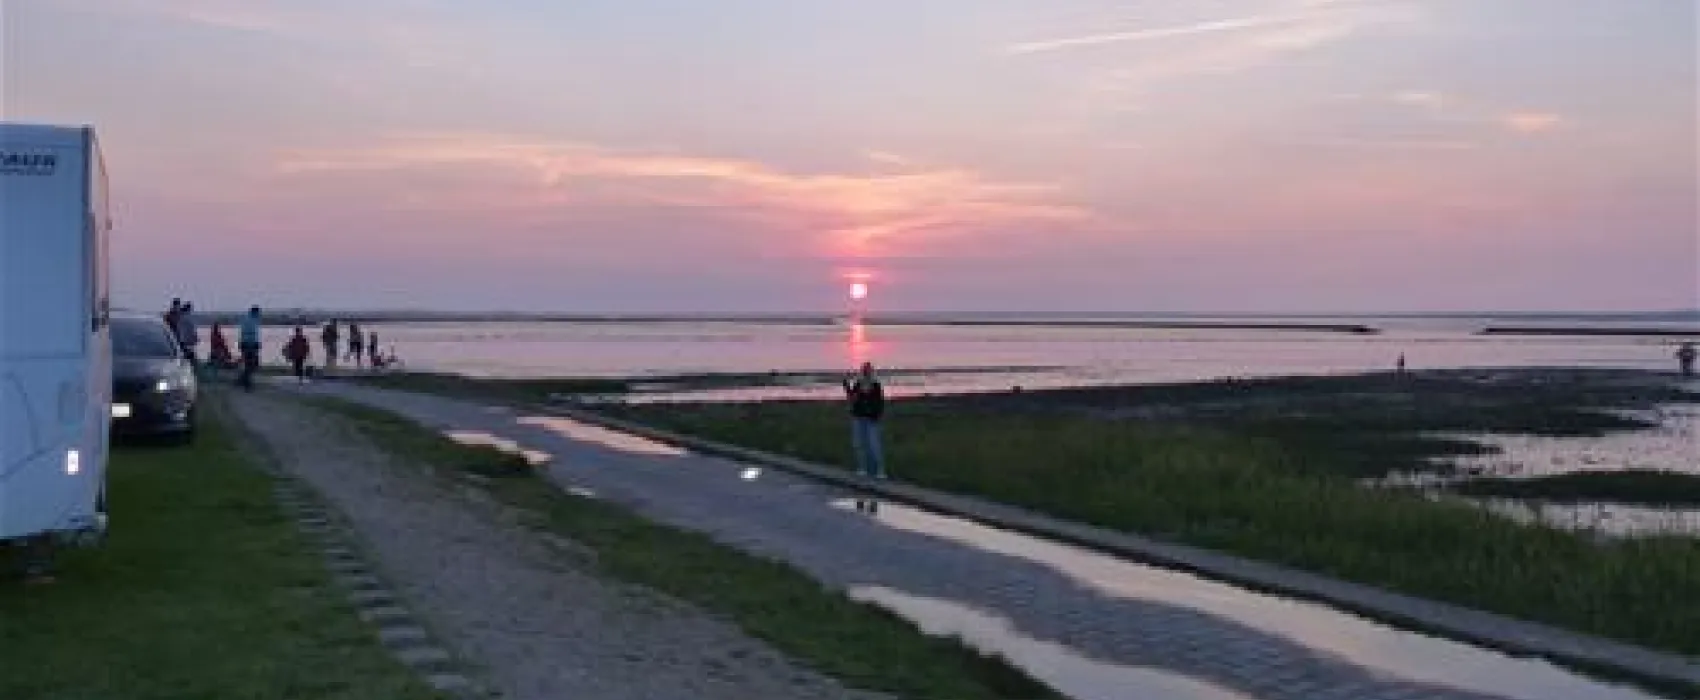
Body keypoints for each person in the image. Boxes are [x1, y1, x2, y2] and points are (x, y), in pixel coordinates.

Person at [842, 362, 886, 512]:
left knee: (874, 445)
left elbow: (880, 402)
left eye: (868, 371)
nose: (866, 373)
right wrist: (846, 386)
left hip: (871, 419)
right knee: (859, 444)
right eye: (864, 371)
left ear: (871, 372)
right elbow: (851, 397)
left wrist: (877, 415)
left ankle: (879, 470)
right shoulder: (858, 384)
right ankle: (862, 468)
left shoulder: (876, 385)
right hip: (858, 418)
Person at [237, 306, 263, 391]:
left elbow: (243, 333)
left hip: (245, 344)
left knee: (249, 364)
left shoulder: (246, 319)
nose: (259, 314)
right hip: (250, 345)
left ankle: (243, 380)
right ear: (255, 312)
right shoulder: (253, 320)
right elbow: (251, 334)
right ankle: (246, 382)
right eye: (258, 313)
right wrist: (256, 344)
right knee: (251, 364)